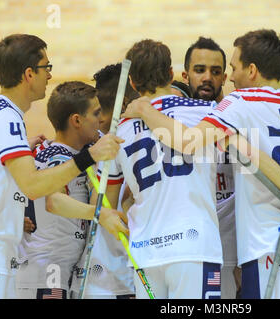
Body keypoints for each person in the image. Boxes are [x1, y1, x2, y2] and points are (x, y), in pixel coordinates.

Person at [123, 29, 280, 298]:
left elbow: (194, 144)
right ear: (176, 75)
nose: (217, 77)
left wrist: (144, 109)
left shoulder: (235, 104)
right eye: (200, 69)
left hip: (250, 247)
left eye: (226, 70)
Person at [0, 34, 123, 299]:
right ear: (28, 74)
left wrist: (8, 213)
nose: (49, 75)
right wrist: (89, 157)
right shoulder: (7, 118)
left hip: (0, 258)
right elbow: (34, 187)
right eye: (46, 67)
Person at [104, 39, 225, 299]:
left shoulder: (120, 131)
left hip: (145, 253)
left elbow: (106, 205)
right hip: (194, 246)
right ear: (171, 74)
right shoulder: (208, 112)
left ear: (133, 84)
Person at [14, 81, 128, 299]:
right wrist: (100, 214)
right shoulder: (58, 159)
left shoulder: (59, 149)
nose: (101, 119)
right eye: (96, 114)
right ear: (76, 120)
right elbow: (54, 202)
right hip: (47, 269)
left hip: (55, 268)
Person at [69, 64, 138, 299]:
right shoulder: (92, 148)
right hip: (102, 274)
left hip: (134, 269)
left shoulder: (140, 138)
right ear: (127, 101)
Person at [183, 36, 241, 299]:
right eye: (199, 70)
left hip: (234, 247)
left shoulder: (239, 117)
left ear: (225, 77)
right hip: (187, 244)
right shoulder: (172, 122)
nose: (207, 77)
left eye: (215, 72)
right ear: (185, 75)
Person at [183, 36, 227, 103]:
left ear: (223, 79)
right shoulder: (169, 110)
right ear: (185, 77)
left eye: (216, 72)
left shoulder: (235, 111)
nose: (208, 78)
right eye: (200, 70)